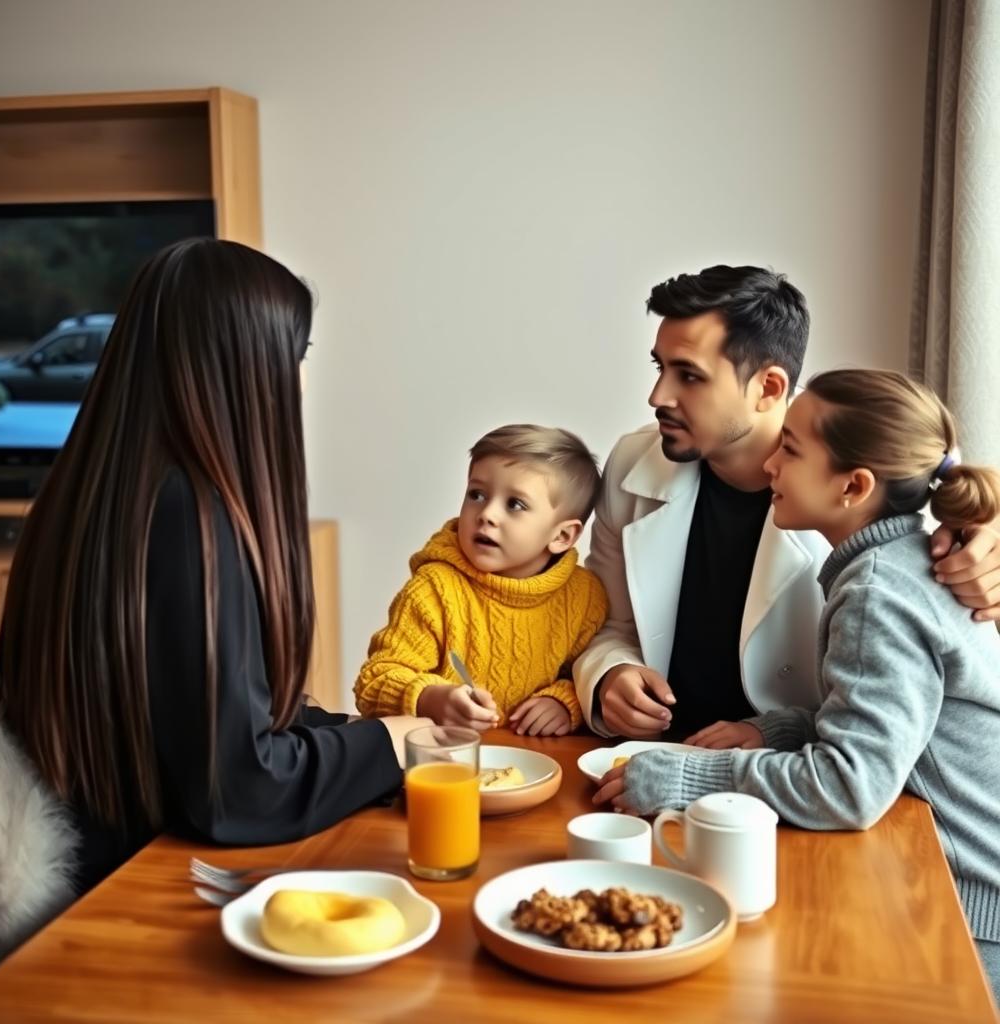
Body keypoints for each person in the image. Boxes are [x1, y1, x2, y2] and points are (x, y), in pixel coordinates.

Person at [0, 239, 429, 897]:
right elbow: (242, 791)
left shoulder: (87, 496)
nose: (301, 379)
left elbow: (201, 714)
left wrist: (361, 731)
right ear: (244, 363)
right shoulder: (195, 520)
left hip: (88, 868)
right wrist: (390, 746)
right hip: (138, 891)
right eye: (298, 354)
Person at [593, 369, 1000, 998]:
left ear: (854, 486)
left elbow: (849, 787)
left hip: (962, 911)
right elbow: (901, 726)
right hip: (940, 880)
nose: (770, 465)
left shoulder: (875, 593)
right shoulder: (896, 564)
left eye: (790, 449)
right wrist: (775, 729)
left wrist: (683, 780)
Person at [574, 264, 1000, 742]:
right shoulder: (633, 464)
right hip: (649, 759)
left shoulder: (868, 491)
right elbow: (606, 622)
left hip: (799, 778)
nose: (658, 395)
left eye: (689, 376)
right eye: (660, 367)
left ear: (769, 388)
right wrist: (610, 675)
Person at [354, 424, 608, 736]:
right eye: (477, 494)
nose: (487, 513)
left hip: (534, 766)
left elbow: (589, 676)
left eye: (515, 504)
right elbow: (374, 681)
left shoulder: (584, 598)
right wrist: (430, 698)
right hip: (443, 766)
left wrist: (564, 702)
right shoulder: (434, 590)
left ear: (562, 536)